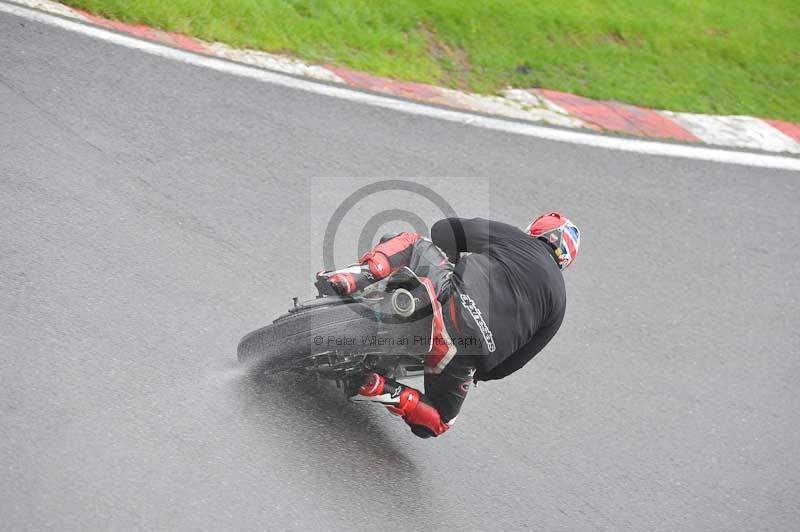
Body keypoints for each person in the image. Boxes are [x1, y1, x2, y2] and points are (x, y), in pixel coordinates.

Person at [322, 213, 580, 438]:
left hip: (449, 300)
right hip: (465, 354)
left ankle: (351, 278)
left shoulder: (515, 239)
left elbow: (443, 230)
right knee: (439, 420)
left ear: (536, 231)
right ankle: (378, 387)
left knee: (413, 242)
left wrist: (456, 257)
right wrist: (474, 371)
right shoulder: (559, 305)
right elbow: (513, 363)